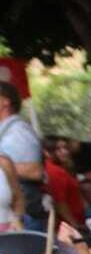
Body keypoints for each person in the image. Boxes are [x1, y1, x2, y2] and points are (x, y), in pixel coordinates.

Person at [0, 82, 44, 230]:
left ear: (5, 101)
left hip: (22, 219)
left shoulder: (17, 132)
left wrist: (5, 167)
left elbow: (34, 170)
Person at [41, 136, 86, 228]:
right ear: (48, 151)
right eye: (58, 149)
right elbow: (60, 203)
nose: (65, 152)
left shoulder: (57, 167)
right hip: (70, 224)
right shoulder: (55, 172)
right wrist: (75, 225)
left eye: (65, 147)